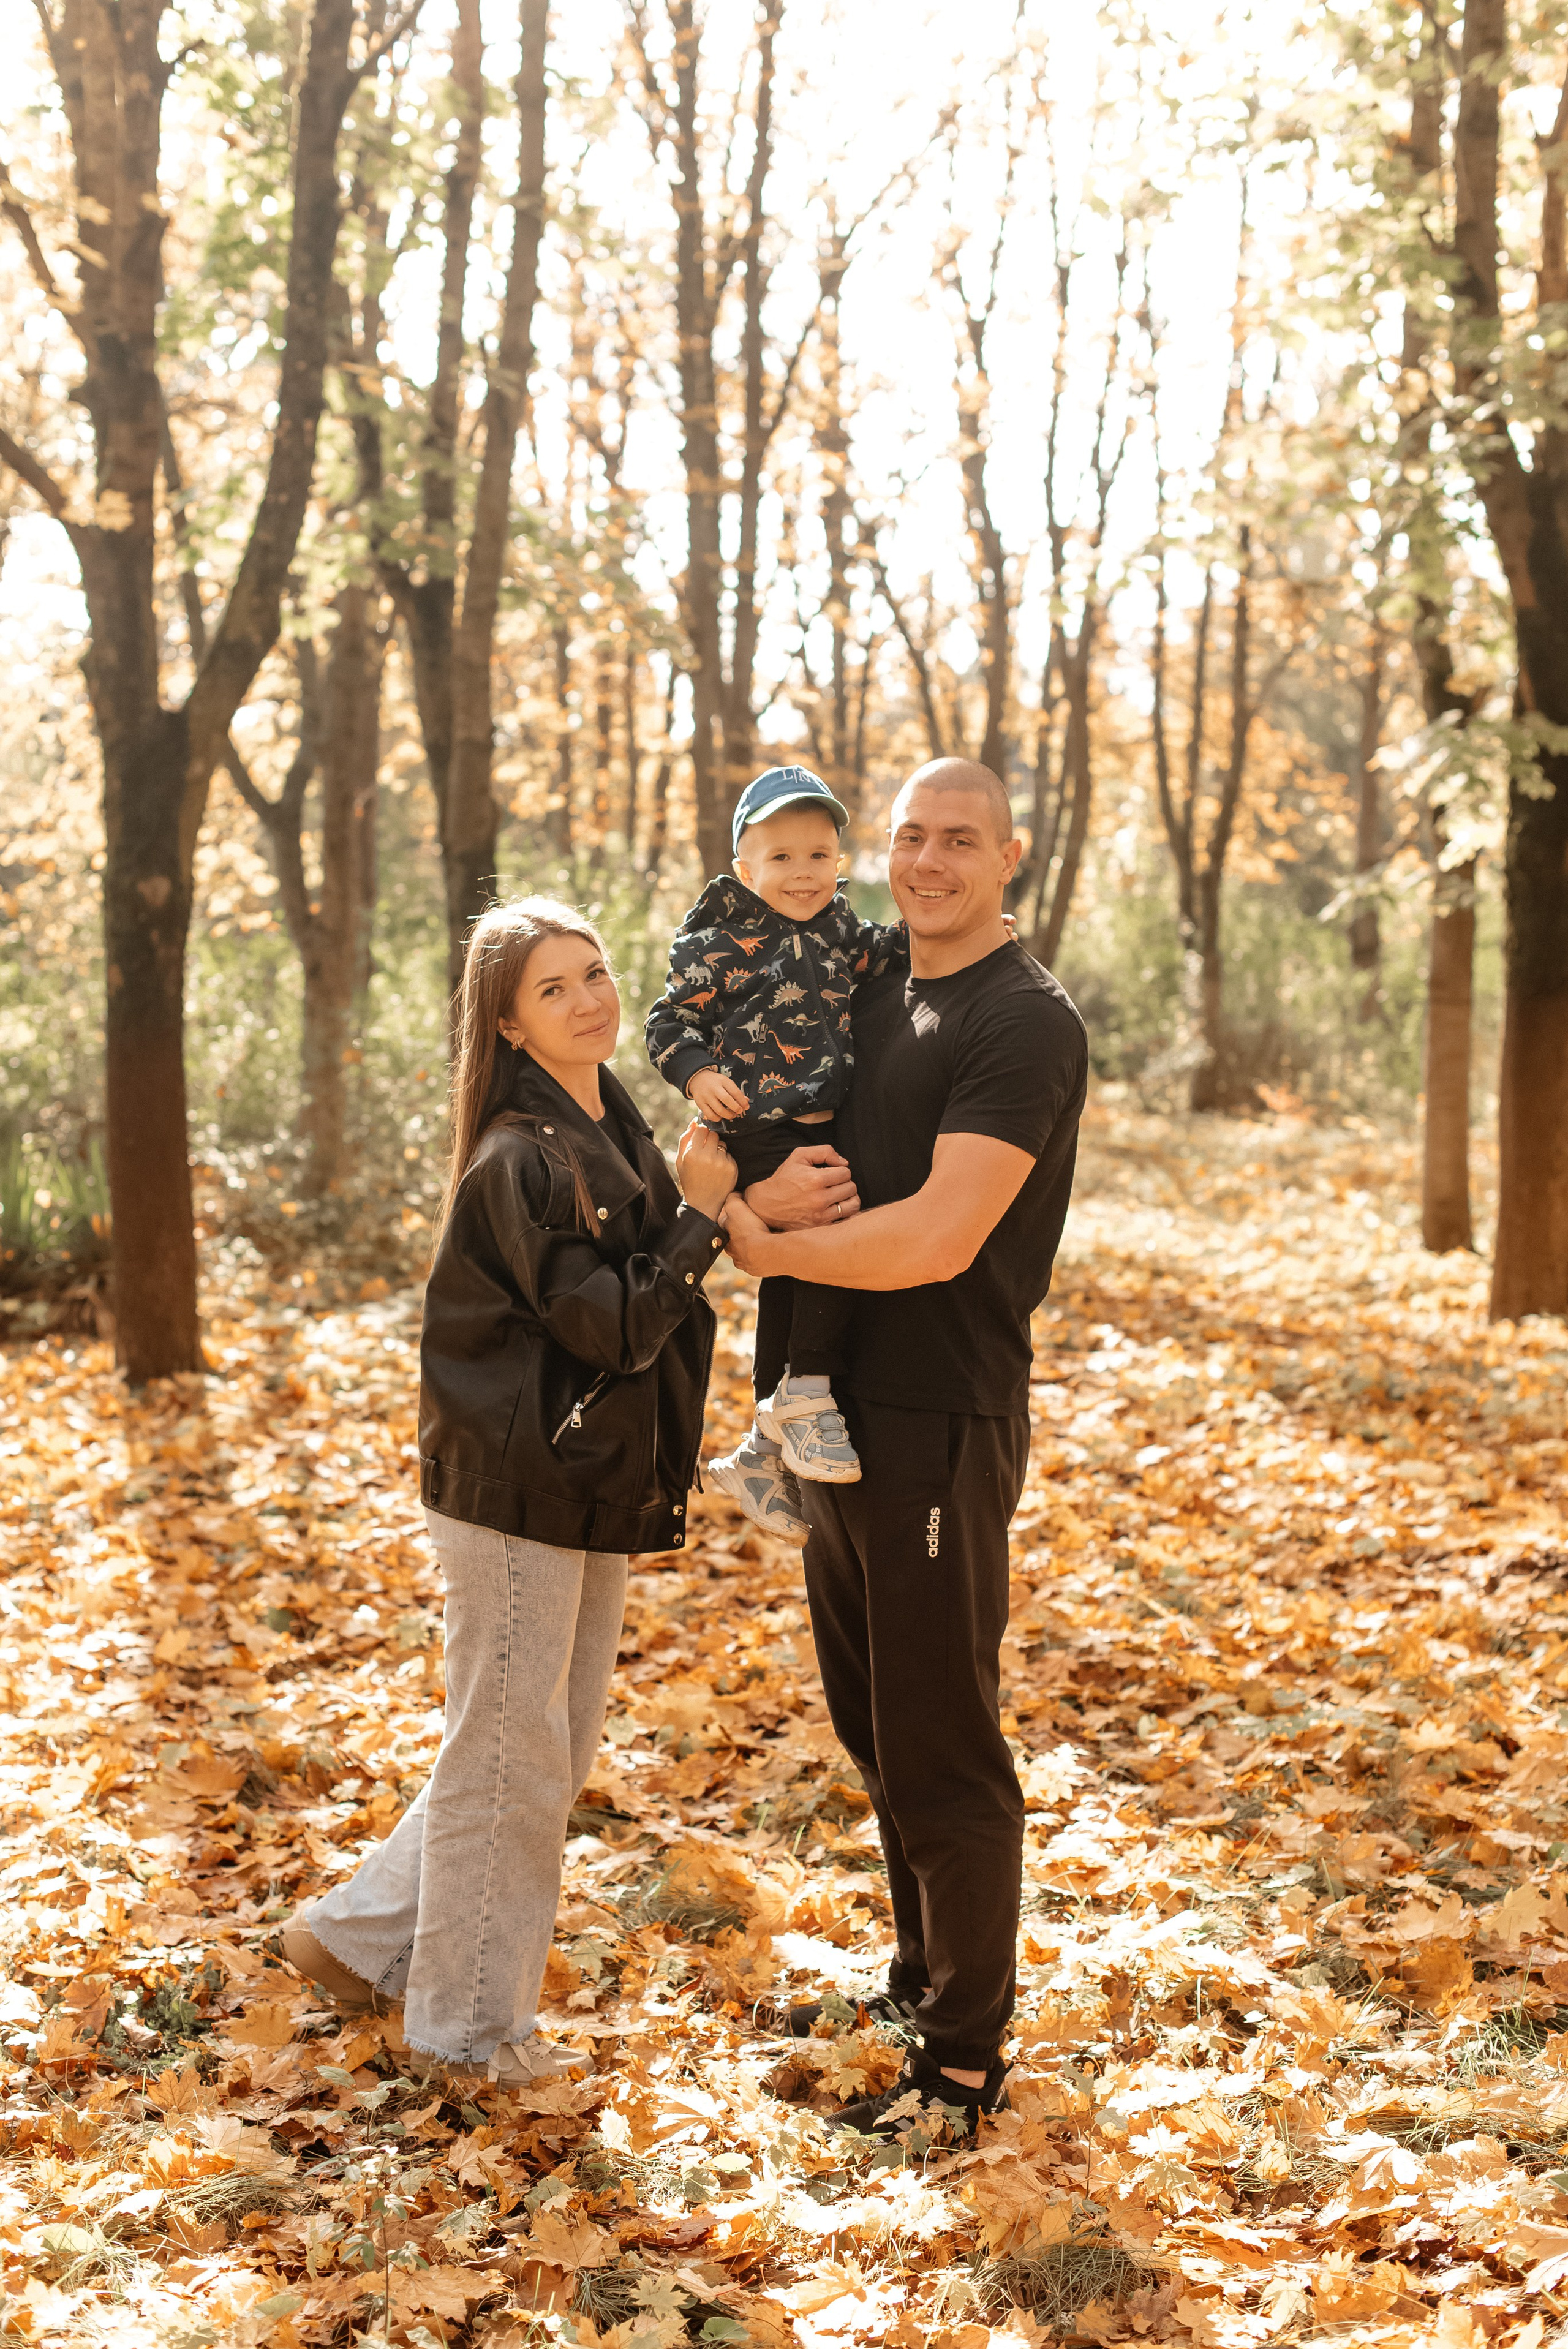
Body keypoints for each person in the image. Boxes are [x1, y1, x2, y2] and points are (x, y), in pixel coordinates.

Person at [281, 898, 736, 2089]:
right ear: (509, 1020)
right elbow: (615, 1325)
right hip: (516, 1486)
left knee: (539, 1743)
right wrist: (697, 1218)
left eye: (594, 972)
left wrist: (712, 1207)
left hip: (580, 1474)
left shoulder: (616, 1129)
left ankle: (354, 1937)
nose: (589, 998)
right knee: (512, 1753)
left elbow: (645, 1285)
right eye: (554, 987)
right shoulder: (519, 1159)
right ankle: (465, 2031)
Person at [723, 758, 1088, 2140]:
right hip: (824, 1409)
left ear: (1010, 852)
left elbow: (942, 1234)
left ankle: (960, 2064)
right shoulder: (866, 979)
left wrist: (765, 1243)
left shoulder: (1023, 1021)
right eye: (907, 837)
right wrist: (747, 1185)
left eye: (956, 840)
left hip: (939, 1413)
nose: (926, 861)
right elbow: (746, 1104)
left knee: (942, 1741)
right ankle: (921, 1982)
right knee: (874, 1728)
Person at [644, 766, 907, 1540]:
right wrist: (697, 1075)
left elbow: (890, 953)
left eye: (820, 855)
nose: (804, 873)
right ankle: (804, 1394)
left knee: (806, 1255)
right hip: (758, 1124)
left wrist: (969, 935)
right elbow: (668, 1022)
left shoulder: (839, 929)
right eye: (782, 857)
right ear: (744, 870)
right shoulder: (717, 941)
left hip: (823, 1118)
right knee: (825, 1243)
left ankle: (765, 1445)